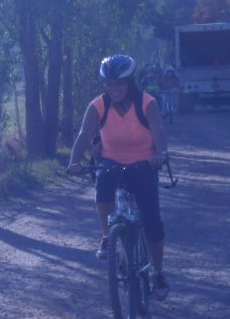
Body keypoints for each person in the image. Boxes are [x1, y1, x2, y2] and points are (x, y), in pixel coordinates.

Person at [67, 53, 171, 299]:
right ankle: (107, 235)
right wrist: (73, 161)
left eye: (120, 84)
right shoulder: (98, 105)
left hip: (144, 162)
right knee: (103, 186)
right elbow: (84, 135)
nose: (114, 89)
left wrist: (161, 154)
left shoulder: (147, 103)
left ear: (130, 82)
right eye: (109, 84)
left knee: (152, 220)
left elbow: (158, 130)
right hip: (110, 160)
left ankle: (157, 272)